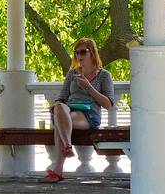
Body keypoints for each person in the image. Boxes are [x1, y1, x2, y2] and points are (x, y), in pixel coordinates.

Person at [39, 38, 114, 183]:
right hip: (69, 110)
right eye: (76, 52)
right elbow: (62, 97)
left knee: (59, 124)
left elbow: (108, 104)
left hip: (89, 114)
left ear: (92, 53)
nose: (78, 55)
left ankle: (57, 171)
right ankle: (67, 145)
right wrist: (56, 104)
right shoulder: (72, 73)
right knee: (60, 108)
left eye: (82, 52)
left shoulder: (104, 75)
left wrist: (88, 87)